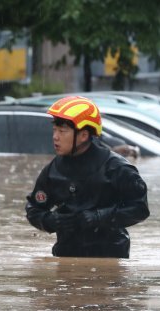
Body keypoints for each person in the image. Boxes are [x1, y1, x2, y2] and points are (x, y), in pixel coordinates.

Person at [25, 96, 150, 258]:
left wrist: (101, 217)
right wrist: (51, 220)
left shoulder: (117, 168)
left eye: (62, 131)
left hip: (110, 259)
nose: (55, 136)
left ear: (83, 135)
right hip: (66, 258)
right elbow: (34, 209)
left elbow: (140, 209)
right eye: (54, 130)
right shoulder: (53, 170)